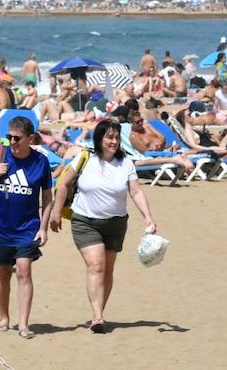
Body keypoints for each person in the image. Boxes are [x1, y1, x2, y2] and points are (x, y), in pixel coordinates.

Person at [48, 118, 157, 333]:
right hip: (85, 221)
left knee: (107, 270)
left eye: (116, 137)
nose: (114, 141)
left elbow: (135, 191)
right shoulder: (85, 158)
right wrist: (56, 212)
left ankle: (99, 311)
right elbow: (64, 183)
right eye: (109, 137)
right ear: (99, 139)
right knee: (96, 266)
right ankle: (97, 317)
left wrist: (148, 217)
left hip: (116, 223)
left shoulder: (125, 163)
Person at [0, 116, 52, 339]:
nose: (12, 142)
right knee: (2, 272)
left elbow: (47, 197)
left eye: (17, 138)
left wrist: (44, 227)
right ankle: (4, 317)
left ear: (30, 138)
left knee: (23, 270)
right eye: (9, 137)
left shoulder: (40, 162)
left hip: (28, 227)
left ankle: (24, 324)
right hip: (0, 225)